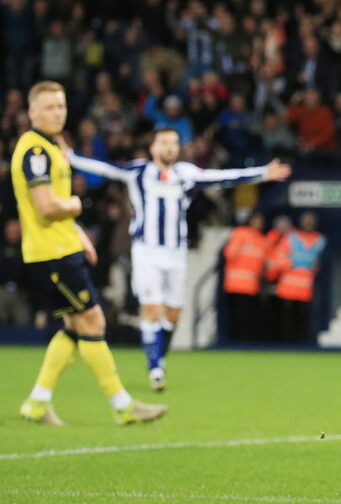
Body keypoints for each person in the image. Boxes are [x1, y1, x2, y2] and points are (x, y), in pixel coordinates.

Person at [66, 130, 291, 389]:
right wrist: (70, 156)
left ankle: (159, 356)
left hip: (175, 252)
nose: (170, 148)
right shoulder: (139, 172)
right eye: (165, 143)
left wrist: (262, 173)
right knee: (151, 309)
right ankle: (155, 368)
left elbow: (222, 178)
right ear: (153, 148)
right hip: (147, 250)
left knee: (172, 315)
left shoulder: (186, 174)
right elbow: (105, 167)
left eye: (174, 143)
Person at [14, 82, 166, 426]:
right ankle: (123, 405)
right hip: (52, 253)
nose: (58, 113)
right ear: (32, 112)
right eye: (49, 107)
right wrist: (76, 205)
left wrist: (77, 232)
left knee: (74, 326)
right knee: (93, 321)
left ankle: (37, 403)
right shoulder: (35, 151)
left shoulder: (52, 146)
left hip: (61, 246)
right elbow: (46, 206)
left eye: (61, 106)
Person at [270, 211, 326, 343]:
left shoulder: (320, 241)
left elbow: (321, 262)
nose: (308, 223)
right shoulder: (291, 238)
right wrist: (290, 264)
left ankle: (302, 346)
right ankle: (285, 346)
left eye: (311, 220)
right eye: (306, 220)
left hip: (306, 288)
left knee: (303, 320)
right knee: (287, 320)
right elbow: (278, 256)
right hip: (288, 288)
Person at [222, 212, 269, 343]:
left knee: (247, 315)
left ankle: (244, 342)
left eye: (260, 221)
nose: (258, 224)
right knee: (236, 315)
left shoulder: (262, 240)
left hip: (251, 284)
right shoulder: (241, 233)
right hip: (235, 282)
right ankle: (233, 342)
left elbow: (263, 263)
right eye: (256, 220)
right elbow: (230, 253)